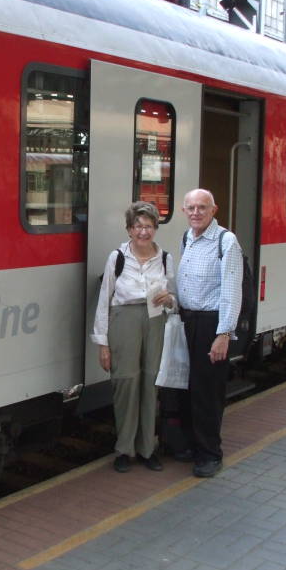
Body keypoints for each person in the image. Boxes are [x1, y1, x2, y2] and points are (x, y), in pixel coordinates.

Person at [92, 201, 177, 473]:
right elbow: (105, 300)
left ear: (155, 228)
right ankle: (124, 449)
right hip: (124, 319)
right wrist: (103, 344)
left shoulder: (165, 259)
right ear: (129, 229)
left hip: (155, 320)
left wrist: (170, 299)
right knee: (125, 382)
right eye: (138, 226)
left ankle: (147, 449)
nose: (144, 231)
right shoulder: (117, 257)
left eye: (149, 226)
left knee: (152, 380)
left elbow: (176, 300)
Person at [176, 189, 243, 478]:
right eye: (191, 207)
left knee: (207, 392)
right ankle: (193, 445)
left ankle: (210, 454)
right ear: (183, 210)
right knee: (187, 388)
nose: (196, 212)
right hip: (186, 321)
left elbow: (231, 290)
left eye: (202, 207)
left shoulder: (226, 241)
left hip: (210, 325)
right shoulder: (187, 238)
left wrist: (224, 334)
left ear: (214, 210)